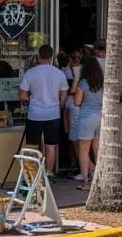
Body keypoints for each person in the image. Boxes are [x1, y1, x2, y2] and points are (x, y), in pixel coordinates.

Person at [19, 44, 68, 176]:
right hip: (53, 113)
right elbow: (63, 95)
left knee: (32, 146)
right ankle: (49, 172)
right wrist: (59, 106)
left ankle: (31, 174)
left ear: (38, 56)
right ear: (52, 57)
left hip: (35, 114)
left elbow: (23, 95)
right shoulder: (59, 73)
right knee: (51, 145)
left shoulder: (31, 73)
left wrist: (30, 101)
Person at [72, 55, 103, 187]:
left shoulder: (83, 82)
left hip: (86, 116)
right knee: (98, 150)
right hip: (101, 116)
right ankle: (99, 179)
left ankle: (86, 181)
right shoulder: (102, 82)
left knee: (83, 150)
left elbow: (77, 102)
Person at [61, 47, 83, 176]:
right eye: (74, 57)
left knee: (76, 136)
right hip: (69, 104)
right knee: (69, 134)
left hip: (77, 105)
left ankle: (81, 164)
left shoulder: (83, 71)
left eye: (79, 57)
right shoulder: (64, 72)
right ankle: (74, 161)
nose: (76, 60)